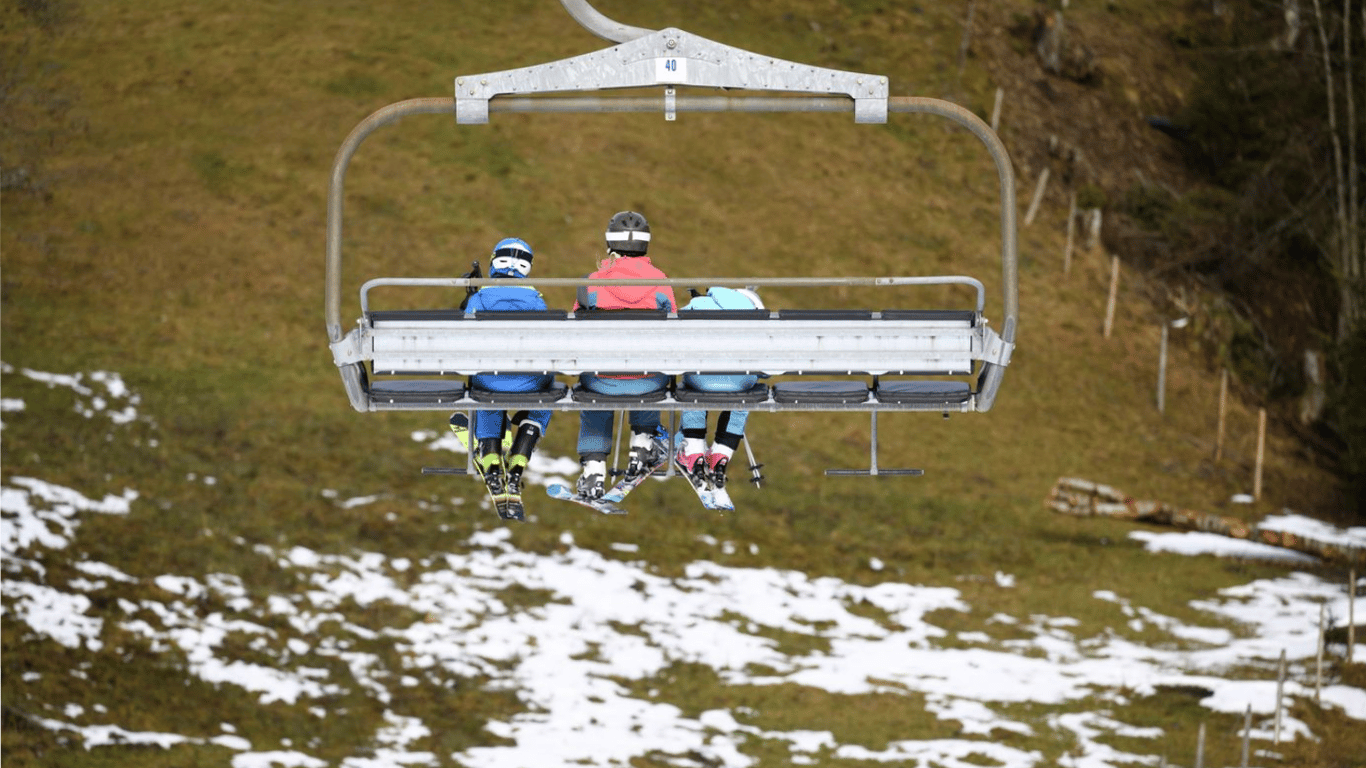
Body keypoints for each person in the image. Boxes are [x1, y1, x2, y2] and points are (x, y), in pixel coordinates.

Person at [573, 211, 677, 499]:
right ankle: (642, 445)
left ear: (610, 243)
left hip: (601, 379)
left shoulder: (592, 282)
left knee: (595, 387)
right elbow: (673, 329)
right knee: (648, 370)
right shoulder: (660, 282)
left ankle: (593, 470)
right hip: (648, 380)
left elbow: (576, 329)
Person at [452, 237, 553, 519]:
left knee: (486, 385)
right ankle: (519, 459)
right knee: (547, 390)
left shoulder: (480, 298)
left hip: (489, 380)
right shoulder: (536, 300)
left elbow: (462, 339)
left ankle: (490, 456)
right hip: (531, 383)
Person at [673, 286, 764, 509]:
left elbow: (674, 341)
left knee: (693, 391)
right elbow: (767, 368)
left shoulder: (699, 305)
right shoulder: (758, 318)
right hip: (741, 382)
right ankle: (720, 460)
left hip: (700, 379)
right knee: (741, 401)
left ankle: (693, 453)